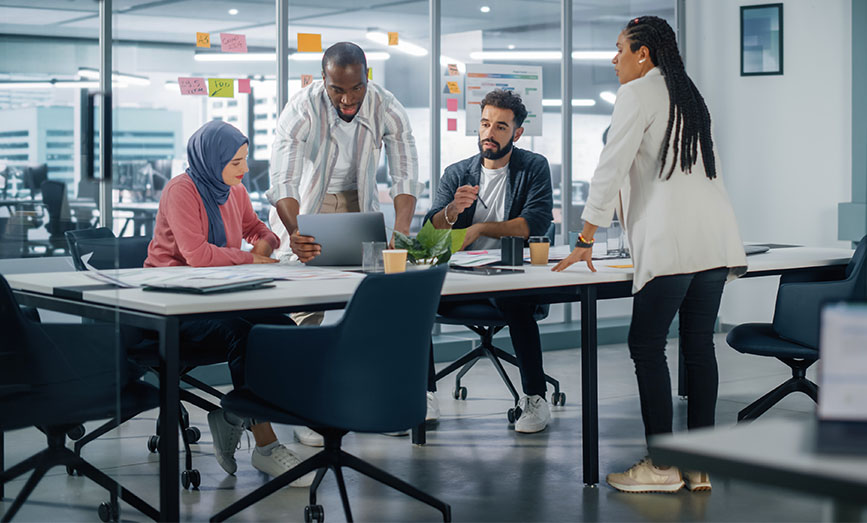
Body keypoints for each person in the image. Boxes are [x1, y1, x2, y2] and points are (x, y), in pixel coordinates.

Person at [553, 16, 747, 493]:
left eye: (619, 48)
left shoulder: (637, 94)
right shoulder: (689, 96)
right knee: (699, 347)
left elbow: (610, 168)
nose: (613, 58)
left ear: (644, 54)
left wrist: (585, 240)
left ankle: (662, 466)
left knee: (646, 346)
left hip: (673, 244)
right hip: (715, 242)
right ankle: (698, 464)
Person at [268, 41, 429, 446]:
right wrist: (295, 233)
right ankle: (308, 409)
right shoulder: (301, 108)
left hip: (360, 203)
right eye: (337, 89)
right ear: (324, 80)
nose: (346, 98)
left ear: (366, 77)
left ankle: (377, 403)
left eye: (354, 88)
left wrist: (402, 231)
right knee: (308, 305)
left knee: (374, 297)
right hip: (308, 204)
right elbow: (282, 181)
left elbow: (405, 174)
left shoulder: (385, 105)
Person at [145, 120, 314, 487]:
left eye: (245, 160)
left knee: (280, 327)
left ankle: (235, 414)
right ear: (212, 160)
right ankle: (266, 446)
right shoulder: (182, 191)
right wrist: (252, 259)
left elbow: (259, 230)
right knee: (245, 335)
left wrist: (265, 244)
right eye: (236, 162)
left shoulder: (232, 190)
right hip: (173, 307)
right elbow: (198, 256)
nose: (245, 169)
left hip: (219, 297)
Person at [426, 89, 555, 433]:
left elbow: (534, 223)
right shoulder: (457, 173)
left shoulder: (533, 168)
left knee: (516, 299)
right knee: (417, 296)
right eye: (485, 124)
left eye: (500, 127)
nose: (489, 133)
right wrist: (452, 211)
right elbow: (430, 231)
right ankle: (423, 393)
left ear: (517, 133)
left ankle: (535, 398)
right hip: (462, 278)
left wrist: (481, 227)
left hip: (508, 275)